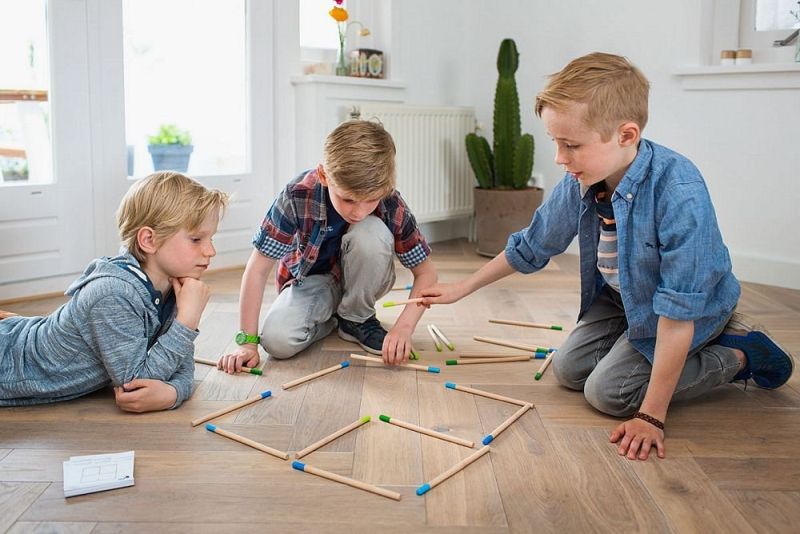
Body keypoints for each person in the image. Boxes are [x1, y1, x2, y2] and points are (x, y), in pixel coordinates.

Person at [420, 52, 794, 461]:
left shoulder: (680, 191)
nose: (559, 157)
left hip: (687, 311)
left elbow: (678, 312)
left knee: (609, 393)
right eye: (555, 142)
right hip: (621, 302)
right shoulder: (581, 178)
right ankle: (638, 346)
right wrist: (463, 287)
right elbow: (532, 245)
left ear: (626, 135)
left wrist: (651, 416)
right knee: (567, 370)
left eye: (571, 145)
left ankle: (741, 354)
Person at [0, 171, 228, 412]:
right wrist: (187, 321)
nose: (211, 251)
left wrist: (174, 392)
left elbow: (179, 364)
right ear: (148, 240)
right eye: (196, 239)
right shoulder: (113, 294)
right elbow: (136, 384)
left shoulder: (173, 284)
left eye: (211, 239)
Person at [219, 120, 436, 372]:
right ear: (324, 175)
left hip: (365, 281)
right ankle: (336, 319)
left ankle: (356, 318)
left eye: (371, 200)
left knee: (371, 231)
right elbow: (257, 269)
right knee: (276, 342)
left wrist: (403, 328)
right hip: (313, 283)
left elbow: (427, 273)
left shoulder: (391, 201)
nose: (359, 212)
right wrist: (247, 343)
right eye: (348, 199)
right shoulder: (297, 195)